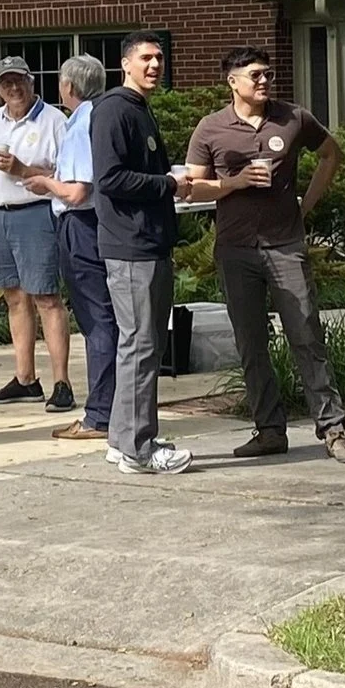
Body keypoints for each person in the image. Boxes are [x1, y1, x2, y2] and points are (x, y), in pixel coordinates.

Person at [184, 45, 345, 464]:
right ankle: (269, 431)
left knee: (305, 335)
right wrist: (237, 181)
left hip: (286, 246)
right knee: (251, 342)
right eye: (255, 75)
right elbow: (193, 185)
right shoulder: (211, 128)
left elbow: (331, 155)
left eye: (267, 74)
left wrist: (304, 208)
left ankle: (333, 430)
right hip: (236, 248)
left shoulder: (294, 117)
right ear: (232, 81)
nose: (265, 81)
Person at [90, 33, 209, 475]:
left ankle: (123, 440)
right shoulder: (114, 110)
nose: (155, 64)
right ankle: (140, 450)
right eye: (146, 57)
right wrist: (169, 184)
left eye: (159, 57)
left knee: (138, 345)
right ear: (125, 63)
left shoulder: (138, 109)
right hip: (131, 246)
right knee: (142, 346)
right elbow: (111, 179)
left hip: (147, 243)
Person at [21, 55, 119, 443]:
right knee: (108, 317)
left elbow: (79, 190)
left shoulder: (80, 125)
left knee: (97, 321)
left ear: (70, 88)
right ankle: (112, 408)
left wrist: (46, 183)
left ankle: (100, 415)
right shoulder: (103, 114)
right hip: (102, 225)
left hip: (81, 226)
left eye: (61, 81)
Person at [0, 56, 73, 410]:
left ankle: (62, 382)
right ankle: (25, 378)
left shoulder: (54, 121)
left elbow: (64, 177)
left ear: (32, 82)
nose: (13, 88)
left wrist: (21, 168)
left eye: (19, 81)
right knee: (13, 297)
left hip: (35, 215)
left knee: (46, 297)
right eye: (5, 82)